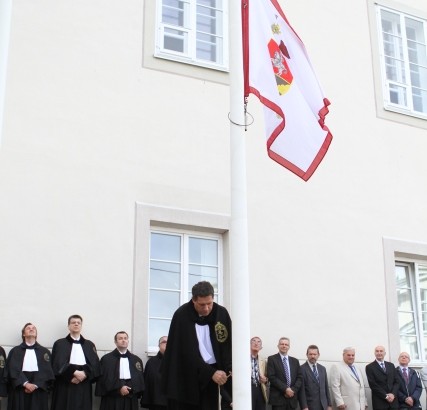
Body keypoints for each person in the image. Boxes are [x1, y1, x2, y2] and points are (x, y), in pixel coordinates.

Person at [161, 281, 232, 410]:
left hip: (215, 377)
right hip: (188, 378)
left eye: (209, 304)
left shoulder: (221, 313)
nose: (206, 309)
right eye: (201, 305)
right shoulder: (181, 315)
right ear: (193, 300)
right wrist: (210, 372)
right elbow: (184, 353)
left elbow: (228, 346)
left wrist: (229, 368)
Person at [51, 314, 100, 410]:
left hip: (84, 384)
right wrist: (73, 373)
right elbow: (57, 363)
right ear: (68, 326)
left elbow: (95, 364)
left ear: (81, 326)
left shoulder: (89, 344)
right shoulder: (60, 343)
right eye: (73, 322)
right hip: (65, 384)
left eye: (79, 323)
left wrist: (84, 374)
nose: (76, 324)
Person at [5, 323, 54, 410]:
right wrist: (25, 383)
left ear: (36, 334)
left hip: (39, 389)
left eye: (33, 328)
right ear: (24, 334)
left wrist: (35, 385)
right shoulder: (15, 351)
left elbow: (47, 371)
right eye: (28, 328)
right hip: (19, 389)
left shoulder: (44, 351)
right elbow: (12, 369)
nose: (31, 329)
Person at [95, 331, 145, 410]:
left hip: (130, 397)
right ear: (115, 342)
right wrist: (119, 388)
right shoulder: (106, 359)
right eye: (120, 338)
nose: (123, 340)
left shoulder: (136, 359)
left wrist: (130, 388)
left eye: (125, 338)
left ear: (128, 341)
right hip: (112, 397)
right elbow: (104, 379)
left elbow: (139, 378)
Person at [267, 337, 302, 410]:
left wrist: (292, 390)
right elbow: (271, 377)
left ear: (289, 347)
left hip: (292, 398)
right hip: (278, 399)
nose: (284, 346)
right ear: (278, 346)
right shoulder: (272, 359)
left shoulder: (295, 361)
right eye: (282, 344)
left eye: (286, 344)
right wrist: (286, 389)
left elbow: (300, 377)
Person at [365, 345, 399, 410]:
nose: (379, 353)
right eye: (377, 351)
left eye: (381, 351)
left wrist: (393, 394)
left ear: (385, 353)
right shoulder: (369, 367)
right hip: (379, 402)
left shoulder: (391, 365)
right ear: (374, 353)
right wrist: (386, 396)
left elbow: (397, 382)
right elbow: (373, 385)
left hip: (393, 402)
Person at [298, 345, 331, 410]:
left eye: (314, 354)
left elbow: (326, 388)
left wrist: (329, 405)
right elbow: (301, 391)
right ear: (307, 355)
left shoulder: (322, 369)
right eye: (310, 354)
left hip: (324, 406)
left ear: (318, 355)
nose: (312, 356)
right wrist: (304, 406)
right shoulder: (301, 369)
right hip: (310, 406)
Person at [140, 336, 168, 410]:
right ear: (159, 345)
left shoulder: (177, 361)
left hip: (173, 402)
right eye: (164, 342)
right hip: (156, 402)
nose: (167, 344)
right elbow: (146, 381)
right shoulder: (151, 362)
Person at [250, 336, 268, 410]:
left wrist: (265, 380)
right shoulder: (243, 358)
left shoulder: (263, 360)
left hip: (260, 389)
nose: (256, 343)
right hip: (248, 388)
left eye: (258, 342)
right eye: (254, 341)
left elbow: (267, 376)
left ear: (261, 347)